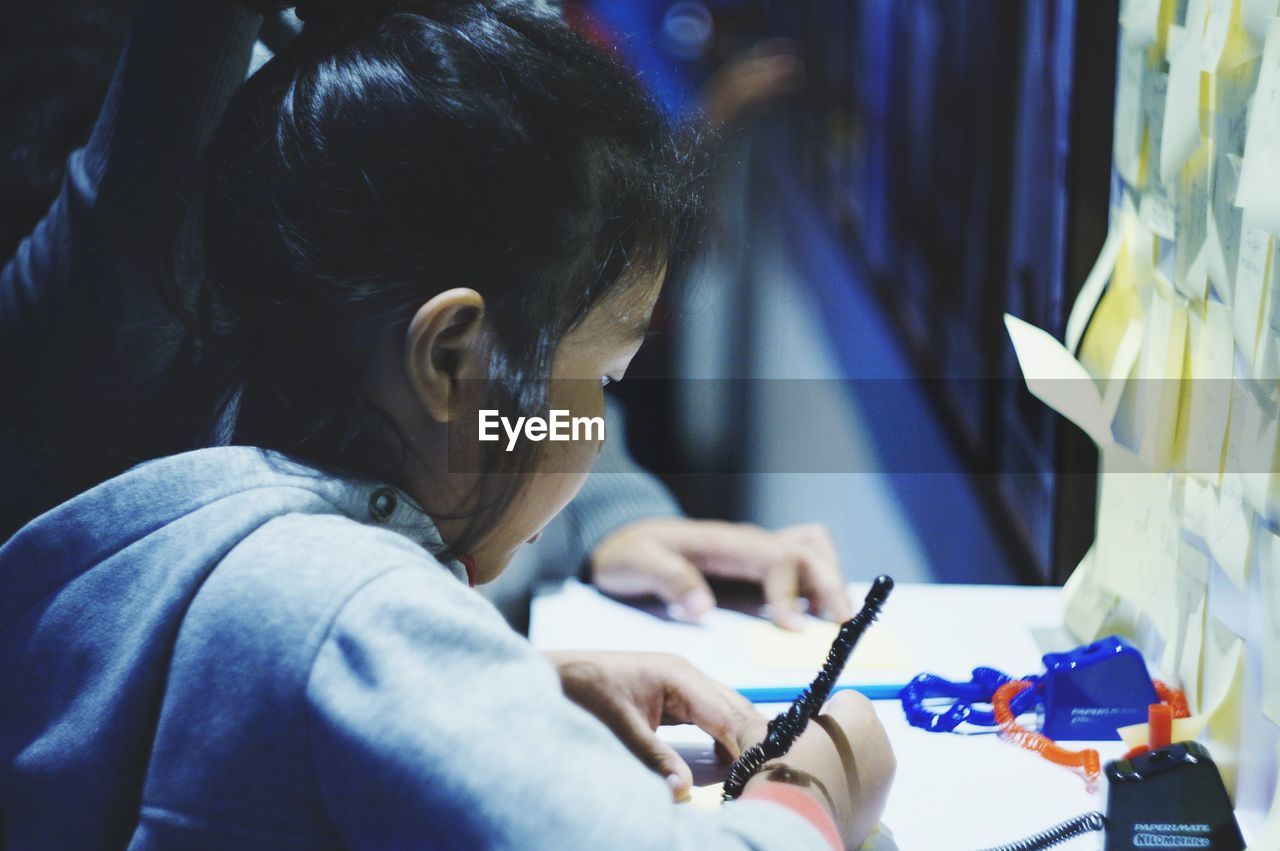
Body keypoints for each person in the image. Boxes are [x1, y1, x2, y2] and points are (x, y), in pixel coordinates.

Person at [0, 1, 894, 848]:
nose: (598, 420)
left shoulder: (196, 529)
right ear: (450, 358)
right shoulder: (354, 611)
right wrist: (816, 787)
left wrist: (512, 694)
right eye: (601, 376)